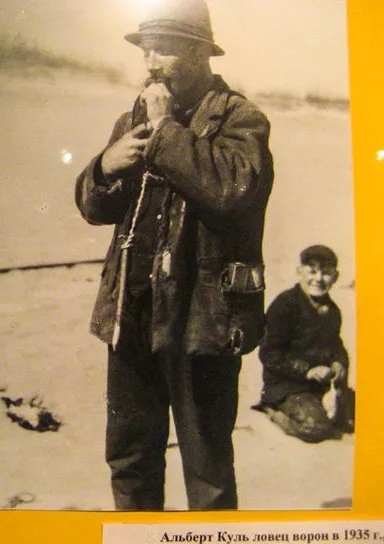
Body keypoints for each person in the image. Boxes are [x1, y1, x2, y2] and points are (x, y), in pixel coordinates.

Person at [75, 0, 273, 510]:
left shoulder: (241, 119)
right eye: (146, 50)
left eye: (163, 49)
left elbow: (230, 191)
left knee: (207, 469)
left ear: (199, 52)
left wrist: (164, 132)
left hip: (201, 320)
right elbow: (95, 209)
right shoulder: (133, 116)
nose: (151, 63)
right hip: (132, 312)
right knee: (130, 458)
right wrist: (105, 167)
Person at [255, 245, 354, 443]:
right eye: (312, 271)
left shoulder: (332, 311)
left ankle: (326, 411)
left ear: (335, 277)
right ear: (299, 271)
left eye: (326, 273)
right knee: (315, 427)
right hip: (286, 387)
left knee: (360, 417)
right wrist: (307, 371)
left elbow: (336, 345)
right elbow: (269, 354)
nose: (318, 279)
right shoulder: (284, 305)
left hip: (321, 387)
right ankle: (272, 410)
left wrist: (338, 363)